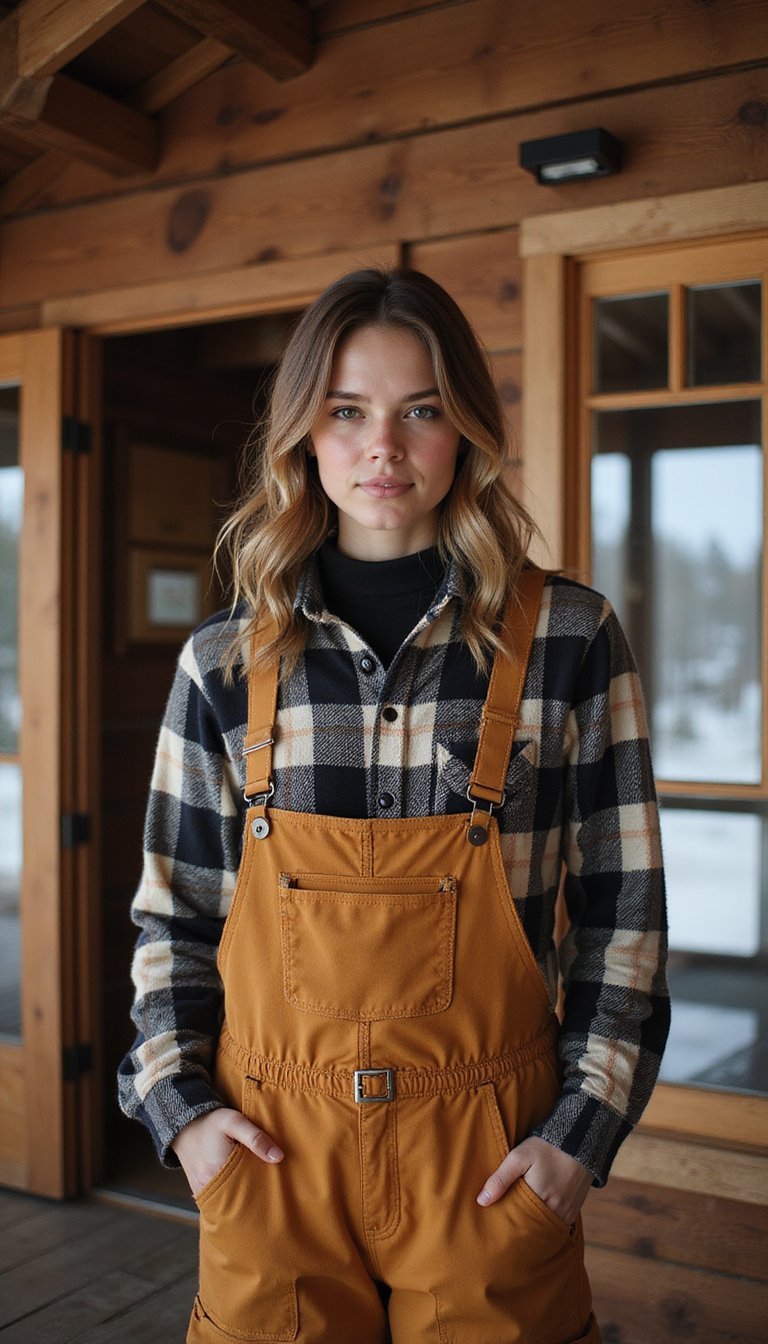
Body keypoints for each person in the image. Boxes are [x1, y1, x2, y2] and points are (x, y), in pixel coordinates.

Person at [118, 266, 669, 1344]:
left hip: (489, 1164)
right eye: (347, 411)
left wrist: (576, 1137)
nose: (385, 447)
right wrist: (184, 1121)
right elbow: (173, 919)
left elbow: (624, 919)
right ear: (303, 435)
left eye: (420, 410)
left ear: (464, 428)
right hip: (271, 1158)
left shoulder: (566, 639)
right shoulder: (224, 663)